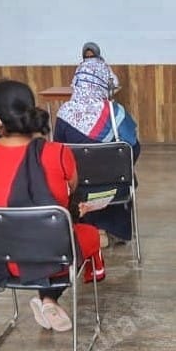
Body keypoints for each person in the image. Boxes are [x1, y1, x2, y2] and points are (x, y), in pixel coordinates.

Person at [0, 80, 105, 332]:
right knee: (86, 235)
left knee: (48, 235)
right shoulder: (56, 152)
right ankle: (49, 298)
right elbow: (70, 192)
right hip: (47, 258)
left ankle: (47, 301)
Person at [52, 54, 141, 244]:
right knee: (121, 173)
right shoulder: (116, 113)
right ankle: (113, 231)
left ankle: (87, 230)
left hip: (79, 190)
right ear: (103, 81)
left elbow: (59, 153)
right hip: (116, 188)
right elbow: (133, 149)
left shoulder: (64, 114)